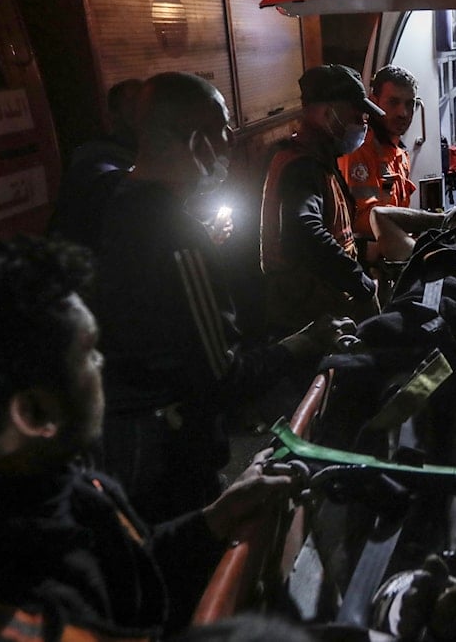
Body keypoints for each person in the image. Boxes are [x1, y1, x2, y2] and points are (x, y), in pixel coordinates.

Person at [0, 237, 295, 640]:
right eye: (89, 351)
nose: (102, 363)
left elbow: (124, 568)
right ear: (36, 414)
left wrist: (214, 520)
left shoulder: (53, 488)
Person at [88, 71, 355, 523]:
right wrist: (306, 342)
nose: (232, 141)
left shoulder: (115, 204)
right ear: (198, 145)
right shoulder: (178, 234)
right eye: (223, 131)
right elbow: (223, 377)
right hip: (171, 459)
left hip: (120, 443)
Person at [260, 64, 384, 338]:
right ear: (327, 114)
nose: (363, 123)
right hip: (303, 323)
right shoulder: (301, 168)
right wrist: (359, 281)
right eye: (356, 115)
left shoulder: (319, 162)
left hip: (323, 312)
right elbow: (305, 231)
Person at [49, 78, 143, 249]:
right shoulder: (97, 165)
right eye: (133, 103)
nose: (142, 111)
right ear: (113, 115)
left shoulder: (147, 153)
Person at [337, 65, 418, 242]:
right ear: (374, 102)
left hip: (394, 246)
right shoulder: (359, 150)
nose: (403, 113)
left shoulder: (398, 153)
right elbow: (363, 220)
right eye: (393, 102)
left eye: (409, 104)